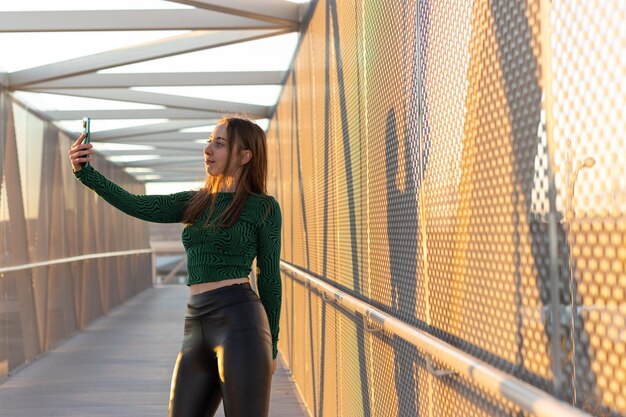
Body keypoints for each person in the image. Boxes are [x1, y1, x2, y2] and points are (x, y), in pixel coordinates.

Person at [68, 116, 282, 417]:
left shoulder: (263, 207)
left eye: (219, 144)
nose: (208, 149)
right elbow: (136, 204)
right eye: (209, 141)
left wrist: (271, 347)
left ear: (245, 156)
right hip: (195, 324)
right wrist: (86, 173)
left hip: (241, 322)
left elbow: (270, 278)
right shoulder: (195, 202)